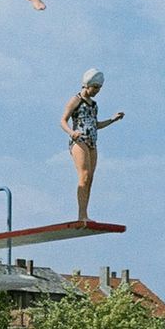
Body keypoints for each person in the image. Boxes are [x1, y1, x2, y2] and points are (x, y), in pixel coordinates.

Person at [60, 69, 125, 224]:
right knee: (84, 175)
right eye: (95, 87)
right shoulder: (76, 100)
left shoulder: (94, 105)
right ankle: (81, 214)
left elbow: (95, 125)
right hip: (79, 140)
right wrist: (71, 132)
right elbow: (63, 120)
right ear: (87, 85)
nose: (97, 91)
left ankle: (85, 213)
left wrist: (112, 120)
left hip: (92, 141)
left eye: (99, 88)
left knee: (90, 178)